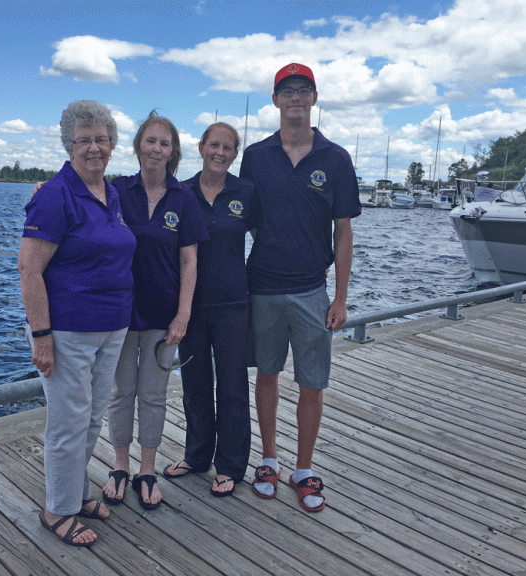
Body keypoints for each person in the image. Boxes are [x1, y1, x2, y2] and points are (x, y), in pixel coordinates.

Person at [239, 63, 361, 512]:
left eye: (302, 90)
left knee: (312, 383)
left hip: (313, 290)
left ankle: (304, 469)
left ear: (314, 98)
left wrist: (342, 297)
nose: (295, 98)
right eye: (286, 91)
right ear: (275, 100)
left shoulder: (335, 158)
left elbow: (343, 231)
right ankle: (269, 459)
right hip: (262, 288)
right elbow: (238, 215)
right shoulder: (254, 157)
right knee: (266, 374)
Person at [18, 100, 136, 547]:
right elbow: (29, 270)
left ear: (111, 145)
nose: (93, 147)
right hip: (67, 330)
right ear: (69, 145)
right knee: (68, 422)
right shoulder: (54, 195)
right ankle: (57, 510)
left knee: (90, 418)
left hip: (112, 327)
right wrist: (41, 336)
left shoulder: (113, 193)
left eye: (101, 139)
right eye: (83, 140)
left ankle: (75, 493)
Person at [102, 111, 209, 510]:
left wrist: (183, 314)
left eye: (165, 143)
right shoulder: (116, 191)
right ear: (138, 146)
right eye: (150, 141)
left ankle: (146, 470)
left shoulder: (184, 199)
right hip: (119, 314)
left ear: (173, 151)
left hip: (164, 319)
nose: (157, 149)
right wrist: (43, 188)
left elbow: (189, 262)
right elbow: (77, 197)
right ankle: (119, 466)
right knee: (120, 393)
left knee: (152, 395)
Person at [162, 122, 256, 497]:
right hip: (190, 306)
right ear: (200, 147)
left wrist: (315, 259)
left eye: (228, 148)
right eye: (213, 145)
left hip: (234, 303)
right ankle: (197, 456)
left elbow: (269, 238)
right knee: (195, 383)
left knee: (233, 386)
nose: (220, 152)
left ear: (235, 154)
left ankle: (231, 465)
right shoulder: (180, 191)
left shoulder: (246, 192)